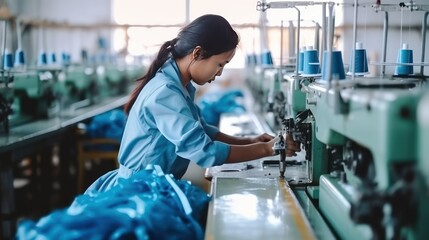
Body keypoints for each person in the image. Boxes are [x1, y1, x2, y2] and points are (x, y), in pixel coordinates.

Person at [83, 14, 300, 194]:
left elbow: (202, 131)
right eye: (220, 64)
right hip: (137, 193)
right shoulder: (165, 93)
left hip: (152, 186)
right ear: (197, 53)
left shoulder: (179, 86)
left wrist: (249, 141)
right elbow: (205, 152)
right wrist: (267, 148)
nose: (220, 72)